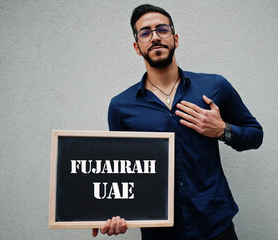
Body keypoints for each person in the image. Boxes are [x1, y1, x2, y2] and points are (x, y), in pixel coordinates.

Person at [93, 4, 263, 240]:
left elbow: (255, 135)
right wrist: (111, 213)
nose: (155, 37)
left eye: (162, 29)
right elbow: (120, 173)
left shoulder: (215, 86)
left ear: (175, 38)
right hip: (159, 232)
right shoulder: (121, 106)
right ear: (136, 47)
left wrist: (222, 130)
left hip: (216, 227)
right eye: (145, 33)